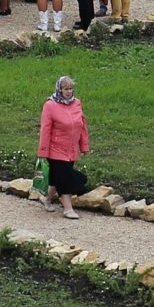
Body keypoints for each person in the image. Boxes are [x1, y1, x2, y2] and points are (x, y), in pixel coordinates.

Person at [38, 76, 90, 219]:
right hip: (55, 150)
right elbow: (45, 129)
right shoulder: (50, 105)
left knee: (58, 178)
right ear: (59, 89)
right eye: (65, 89)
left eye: (71, 89)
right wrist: (43, 151)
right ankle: (68, 208)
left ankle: (46, 198)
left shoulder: (77, 103)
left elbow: (82, 126)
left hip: (71, 149)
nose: (68, 92)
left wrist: (84, 146)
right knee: (65, 178)